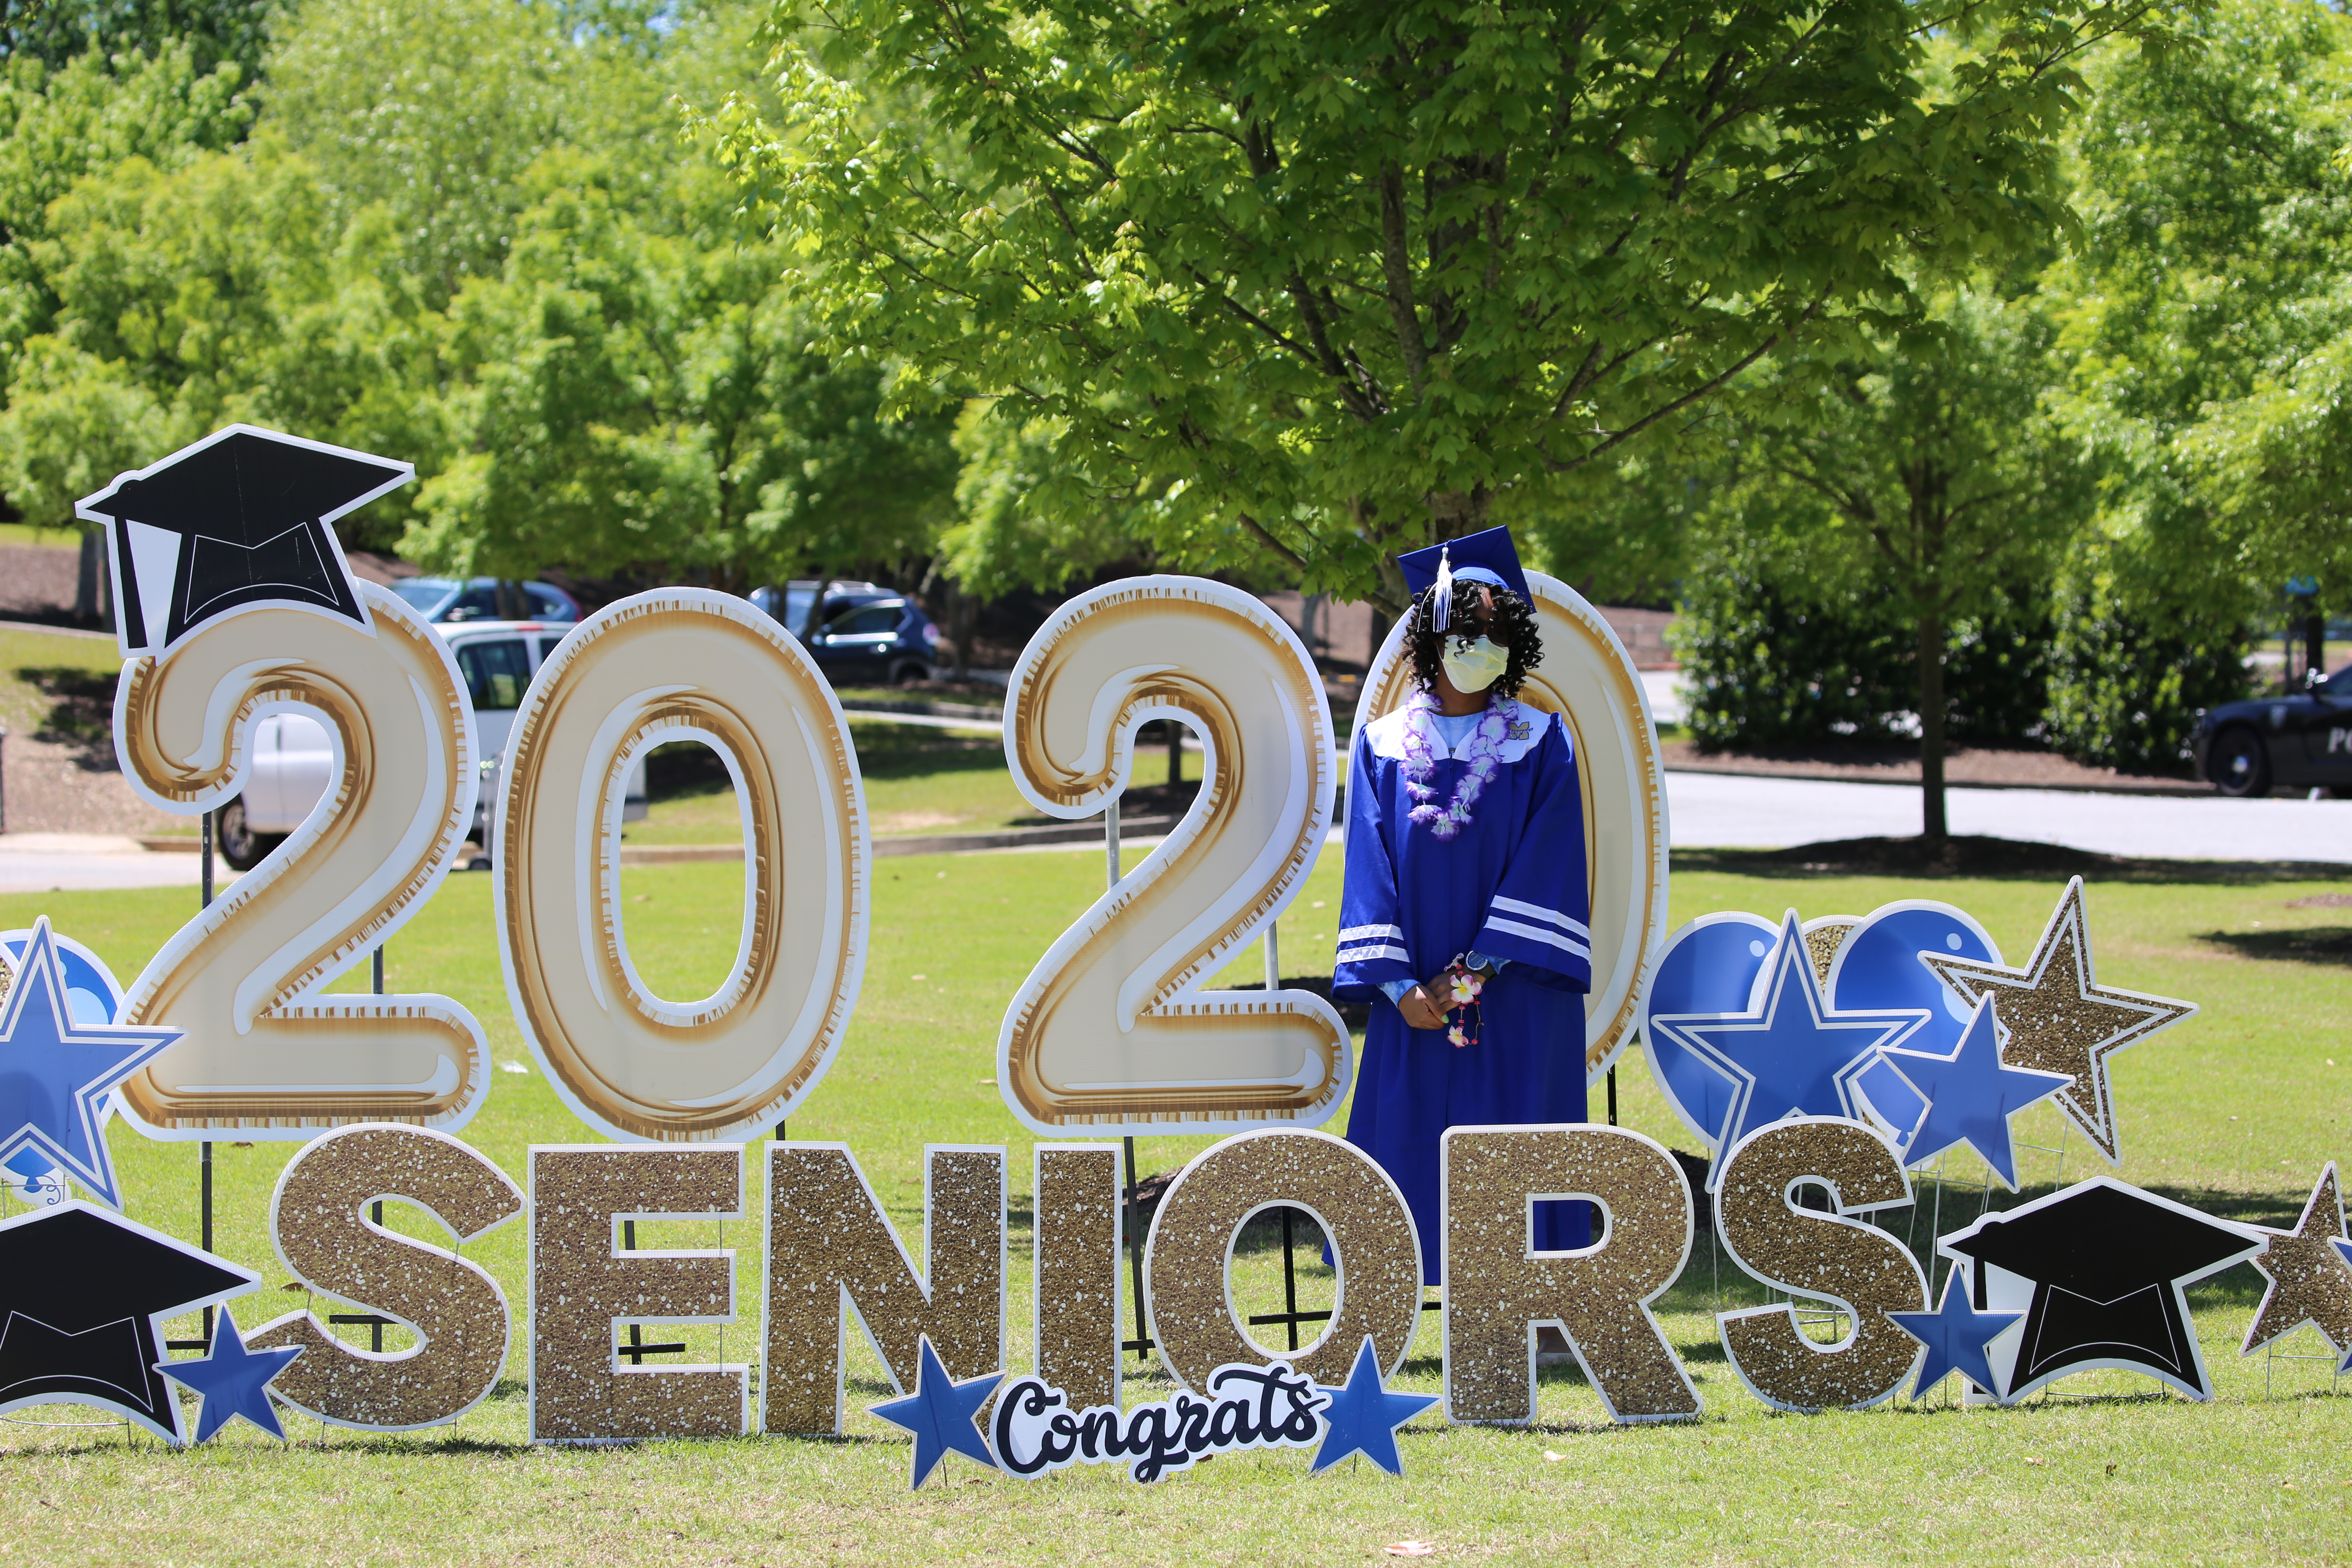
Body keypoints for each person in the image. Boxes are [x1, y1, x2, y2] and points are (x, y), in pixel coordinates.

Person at [1331, 526, 1592, 1285]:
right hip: (1412, 995)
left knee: (1521, 1129)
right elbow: (1366, 866)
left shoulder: (1541, 741)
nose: (1482, 646)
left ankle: (1542, 1307)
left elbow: (1551, 863)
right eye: (1467, 631)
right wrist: (1399, 986)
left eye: (1498, 634)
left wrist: (1475, 974)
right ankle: (1392, 1300)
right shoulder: (1383, 743)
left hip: (1511, 988)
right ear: (1432, 636)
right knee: (1411, 1133)